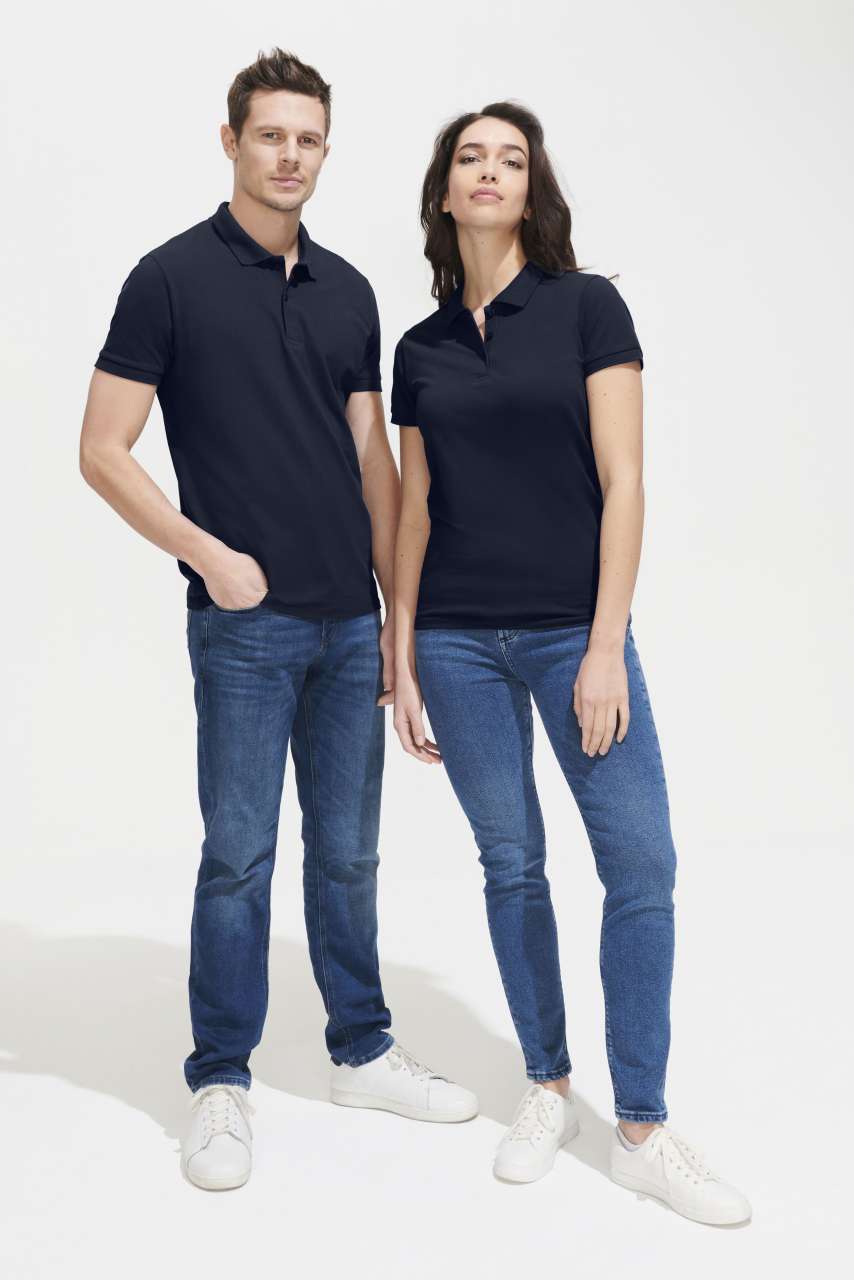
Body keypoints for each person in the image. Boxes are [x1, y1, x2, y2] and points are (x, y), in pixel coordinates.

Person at [79, 47, 477, 1193]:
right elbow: (102, 449)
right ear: (231, 142)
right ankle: (220, 1078)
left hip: (349, 623)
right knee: (238, 856)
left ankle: (360, 1047)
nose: (288, 155)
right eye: (269, 135)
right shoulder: (167, 279)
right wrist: (209, 557)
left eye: (307, 139)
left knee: (346, 853)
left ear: (324, 151)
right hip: (245, 630)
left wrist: (397, 620)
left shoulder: (348, 291)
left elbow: (373, 467)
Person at [390, 100, 751, 1224]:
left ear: (530, 188)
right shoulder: (420, 347)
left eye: (511, 158)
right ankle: (545, 1085)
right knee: (511, 864)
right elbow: (413, 508)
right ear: (445, 191)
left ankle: (638, 1125)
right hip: (454, 640)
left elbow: (625, 479)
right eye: (470, 157)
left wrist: (603, 645)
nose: (489, 171)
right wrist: (401, 650)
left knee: (639, 864)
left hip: (568, 635)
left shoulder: (588, 307)